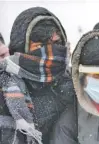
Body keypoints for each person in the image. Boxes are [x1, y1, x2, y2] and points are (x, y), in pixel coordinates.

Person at [0, 7, 74, 144]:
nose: (51, 52)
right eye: (40, 47)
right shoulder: (6, 92)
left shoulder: (75, 86)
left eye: (56, 44)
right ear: (21, 49)